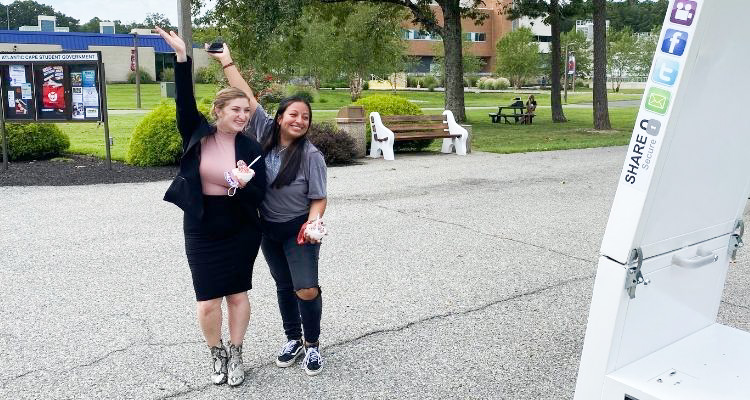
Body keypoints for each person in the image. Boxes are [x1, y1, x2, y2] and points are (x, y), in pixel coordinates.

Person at [207, 43, 328, 376]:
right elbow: (247, 96)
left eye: (305, 117)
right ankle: (293, 338)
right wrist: (227, 61)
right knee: (283, 285)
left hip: (297, 230)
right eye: (293, 114)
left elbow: (319, 197)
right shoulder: (263, 132)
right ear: (279, 118)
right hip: (267, 229)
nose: (299, 120)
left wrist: (313, 221)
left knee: (305, 286)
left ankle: (313, 345)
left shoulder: (311, 156)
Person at [157, 27, 266, 387]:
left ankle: (236, 353)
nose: (242, 116)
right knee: (207, 302)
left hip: (241, 227)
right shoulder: (197, 132)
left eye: (246, 111)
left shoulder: (250, 146)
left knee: (237, 294)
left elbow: (261, 192)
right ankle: (216, 353)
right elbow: (184, 101)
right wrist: (181, 56)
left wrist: (245, 184)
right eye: (236, 109)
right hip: (202, 225)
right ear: (218, 110)